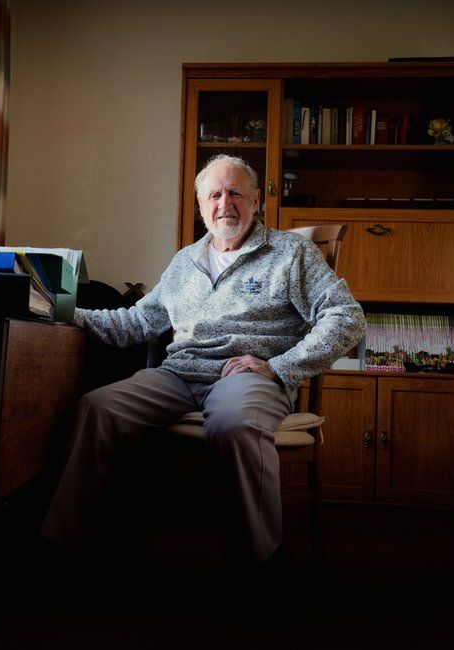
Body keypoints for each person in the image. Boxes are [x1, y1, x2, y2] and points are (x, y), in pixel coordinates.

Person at [41, 154, 366, 572]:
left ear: (254, 201)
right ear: (200, 205)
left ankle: (262, 564)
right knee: (98, 407)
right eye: (214, 194)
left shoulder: (290, 252)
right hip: (178, 376)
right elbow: (138, 321)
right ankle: (61, 548)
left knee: (234, 423)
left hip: (246, 376)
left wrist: (281, 366)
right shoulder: (184, 261)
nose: (224, 203)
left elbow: (346, 317)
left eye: (235, 193)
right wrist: (63, 312)